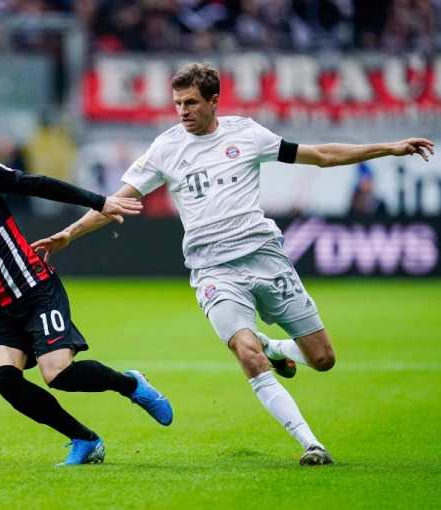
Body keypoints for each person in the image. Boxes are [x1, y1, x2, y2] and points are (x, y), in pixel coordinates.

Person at [31, 62, 435, 466]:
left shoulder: (247, 134)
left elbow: (321, 155)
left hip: (265, 257)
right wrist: (69, 233)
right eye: (177, 103)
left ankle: (274, 346)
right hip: (213, 270)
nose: (183, 111)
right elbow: (115, 201)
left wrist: (390, 147)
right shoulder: (165, 148)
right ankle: (312, 444)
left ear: (214, 101)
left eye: (191, 102)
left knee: (323, 359)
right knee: (246, 352)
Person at [0, 123, 173, 466]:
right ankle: (84, 439)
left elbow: (36, 185)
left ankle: (131, 385)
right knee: (2, 378)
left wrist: (100, 201)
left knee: (59, 374)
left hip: (35, 288)